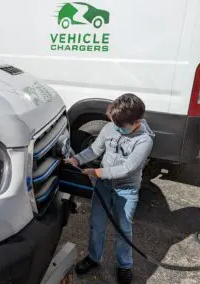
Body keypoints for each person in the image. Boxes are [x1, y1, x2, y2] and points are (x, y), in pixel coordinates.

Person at [65, 93, 155, 284]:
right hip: (104, 187)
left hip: (126, 190)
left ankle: (125, 265)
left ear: (137, 121)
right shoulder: (111, 127)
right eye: (114, 124)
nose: (116, 128)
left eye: (121, 126)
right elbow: (95, 150)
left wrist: (96, 173)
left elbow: (126, 168)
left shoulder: (144, 141)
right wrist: (76, 159)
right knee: (96, 224)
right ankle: (93, 257)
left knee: (123, 229)